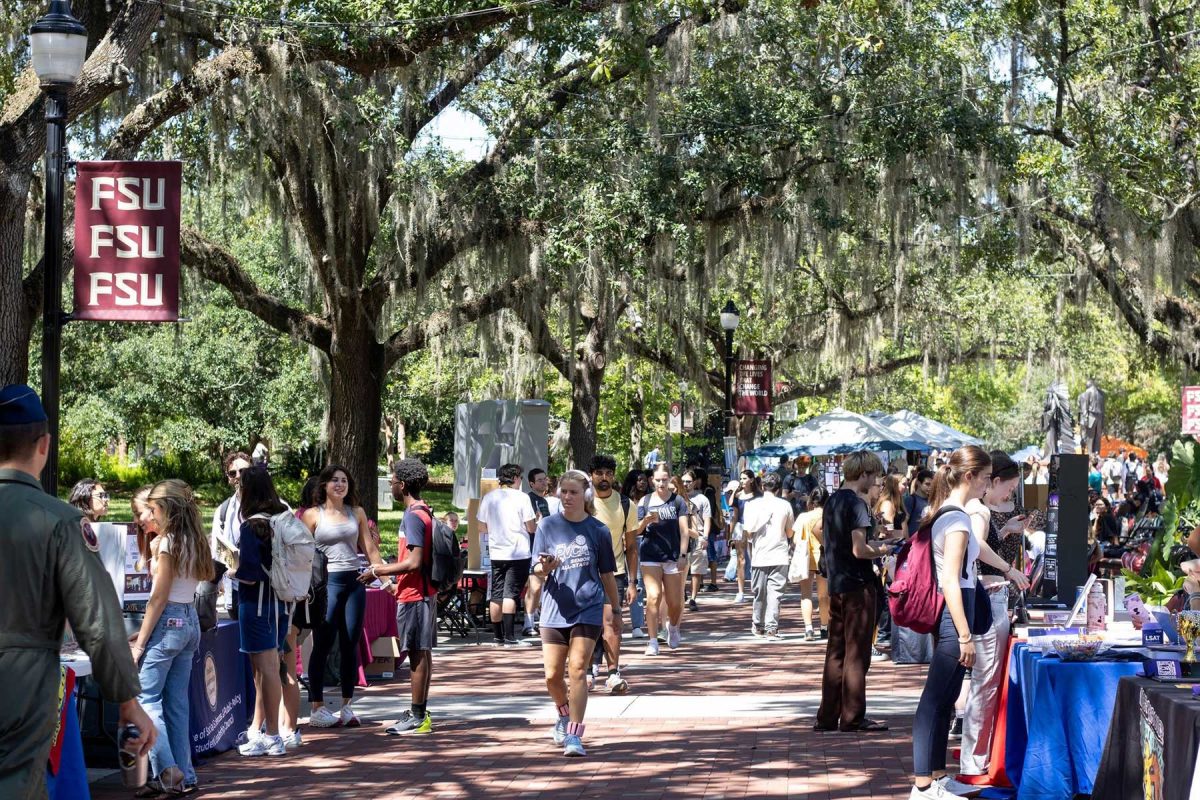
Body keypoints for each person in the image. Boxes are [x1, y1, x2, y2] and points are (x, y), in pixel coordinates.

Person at [0, 384, 154, 797]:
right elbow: (98, 622)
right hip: (22, 679)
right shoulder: (58, 521)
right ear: (44, 444)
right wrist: (126, 701)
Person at [910, 446, 996, 799]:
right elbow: (950, 580)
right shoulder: (957, 519)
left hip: (956, 615)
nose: (988, 485)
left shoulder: (948, 515)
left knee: (945, 700)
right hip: (953, 618)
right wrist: (963, 635)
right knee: (935, 700)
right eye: (987, 478)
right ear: (969, 476)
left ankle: (937, 777)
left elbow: (959, 574)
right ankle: (923, 785)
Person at [130, 480, 214, 790]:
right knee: (176, 704)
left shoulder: (168, 544)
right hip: (188, 620)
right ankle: (185, 776)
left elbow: (158, 598)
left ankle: (167, 769)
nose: (148, 515)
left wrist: (139, 646)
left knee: (146, 698)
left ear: (168, 510)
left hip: (170, 622)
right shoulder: (193, 540)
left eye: (152, 509)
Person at [531, 470, 619, 757]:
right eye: (563, 492)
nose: (567, 497)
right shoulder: (547, 526)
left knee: (578, 670)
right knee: (552, 676)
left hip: (588, 607)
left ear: (586, 496)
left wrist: (616, 610)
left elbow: (607, 574)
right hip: (555, 609)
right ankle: (563, 713)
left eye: (573, 493)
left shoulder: (599, 530)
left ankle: (574, 736)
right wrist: (546, 567)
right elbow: (536, 568)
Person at [956, 452, 1031, 780]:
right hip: (990, 598)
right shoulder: (978, 509)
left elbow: (983, 543)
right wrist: (1009, 568)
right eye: (1006, 487)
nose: (1008, 495)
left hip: (993, 598)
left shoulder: (982, 510)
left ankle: (977, 757)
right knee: (984, 684)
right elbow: (977, 544)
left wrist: (1007, 531)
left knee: (985, 683)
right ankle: (974, 761)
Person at [302, 465, 392, 728]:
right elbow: (301, 553)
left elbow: (371, 550)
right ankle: (317, 706)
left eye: (344, 480)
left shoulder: (357, 513)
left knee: (351, 642)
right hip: (326, 584)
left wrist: (387, 583)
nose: (340, 485)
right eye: (334, 481)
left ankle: (347, 705)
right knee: (323, 643)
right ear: (324, 486)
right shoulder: (311, 515)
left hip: (354, 581)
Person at [815, 451, 895, 733]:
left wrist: (833, 549)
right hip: (859, 585)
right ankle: (853, 716)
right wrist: (884, 549)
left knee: (835, 650)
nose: (875, 482)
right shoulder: (858, 504)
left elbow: (817, 530)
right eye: (874, 476)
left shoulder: (832, 500)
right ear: (864, 474)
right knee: (857, 653)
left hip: (836, 584)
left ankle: (827, 716)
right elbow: (860, 549)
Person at [369, 459, 438, 735]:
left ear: (404, 484)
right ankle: (420, 711)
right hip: (421, 593)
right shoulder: (423, 510)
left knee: (417, 654)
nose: (392, 485)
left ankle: (418, 716)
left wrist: (377, 570)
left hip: (415, 594)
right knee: (423, 652)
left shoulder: (413, 514)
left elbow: (414, 561)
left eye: (394, 481)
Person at [232, 467, 296, 757]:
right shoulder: (282, 520)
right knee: (266, 669)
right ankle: (264, 731)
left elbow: (249, 573)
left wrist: (228, 570)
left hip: (257, 603)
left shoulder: (252, 526)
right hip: (282, 602)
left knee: (266, 669)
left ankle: (272, 734)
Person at [588, 454, 637, 694]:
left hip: (615, 572)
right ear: (591, 476)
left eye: (608, 473)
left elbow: (631, 547)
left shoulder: (626, 504)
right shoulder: (582, 502)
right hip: (584, 574)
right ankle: (587, 670)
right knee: (587, 624)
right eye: (599, 473)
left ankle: (613, 672)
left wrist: (632, 582)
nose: (604, 478)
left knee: (611, 622)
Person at [477, 463, 537, 646]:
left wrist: (495, 530)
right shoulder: (522, 498)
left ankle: (498, 637)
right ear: (516, 478)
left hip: (496, 552)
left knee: (496, 593)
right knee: (510, 594)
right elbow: (531, 527)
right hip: (518, 551)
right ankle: (511, 637)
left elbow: (481, 526)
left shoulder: (489, 497)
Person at [637, 462, 690, 655]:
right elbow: (637, 530)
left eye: (664, 480)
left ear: (669, 480)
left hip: (672, 556)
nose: (661, 483)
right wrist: (646, 521)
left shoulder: (678, 502)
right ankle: (652, 641)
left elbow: (684, 531)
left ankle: (673, 627)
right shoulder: (644, 501)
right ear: (652, 481)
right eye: (657, 480)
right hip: (650, 555)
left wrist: (683, 555)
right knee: (653, 597)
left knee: (675, 602)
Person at [741, 473, 794, 639]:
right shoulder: (785, 505)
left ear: (762, 487)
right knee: (775, 593)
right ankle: (772, 627)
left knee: (759, 592)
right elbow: (790, 531)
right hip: (779, 554)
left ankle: (758, 625)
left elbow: (748, 532)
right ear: (778, 489)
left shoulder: (752, 505)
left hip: (760, 555)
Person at [211, 451, 252, 611]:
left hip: (267, 590)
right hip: (234, 588)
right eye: (232, 473)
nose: (238, 476)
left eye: (243, 471)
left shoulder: (274, 506)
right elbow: (216, 550)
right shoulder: (223, 510)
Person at [790, 486, 830, 641]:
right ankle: (824, 627)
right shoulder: (828, 516)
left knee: (806, 594)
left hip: (805, 559)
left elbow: (795, 540)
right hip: (824, 558)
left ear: (812, 501)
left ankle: (808, 629)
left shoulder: (803, 517)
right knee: (823, 596)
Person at [525, 468, 561, 636]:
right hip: (531, 548)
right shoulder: (529, 500)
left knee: (542, 584)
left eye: (545, 479)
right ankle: (528, 622)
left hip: (545, 547)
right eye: (539, 480)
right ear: (531, 483)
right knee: (535, 585)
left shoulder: (544, 501)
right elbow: (531, 525)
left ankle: (536, 618)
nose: (543, 482)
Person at [728, 470, 762, 603]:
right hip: (740, 527)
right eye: (741, 479)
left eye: (744, 478)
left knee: (755, 559)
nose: (742, 481)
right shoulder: (738, 495)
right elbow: (734, 513)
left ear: (752, 480)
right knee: (740, 560)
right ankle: (740, 591)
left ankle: (757, 589)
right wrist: (731, 533)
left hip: (754, 527)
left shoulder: (758, 495)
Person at [682, 469, 713, 612]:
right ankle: (681, 592)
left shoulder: (702, 499)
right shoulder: (677, 498)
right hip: (681, 537)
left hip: (698, 537)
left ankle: (693, 597)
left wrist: (705, 537)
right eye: (683, 481)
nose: (685, 484)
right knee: (682, 568)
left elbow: (707, 520)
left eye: (688, 481)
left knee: (696, 570)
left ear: (694, 482)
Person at [903, 470, 934, 536]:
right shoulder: (910, 500)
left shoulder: (932, 500)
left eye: (932, 485)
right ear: (918, 483)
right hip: (913, 542)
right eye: (927, 484)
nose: (930, 487)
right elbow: (904, 522)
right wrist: (907, 542)